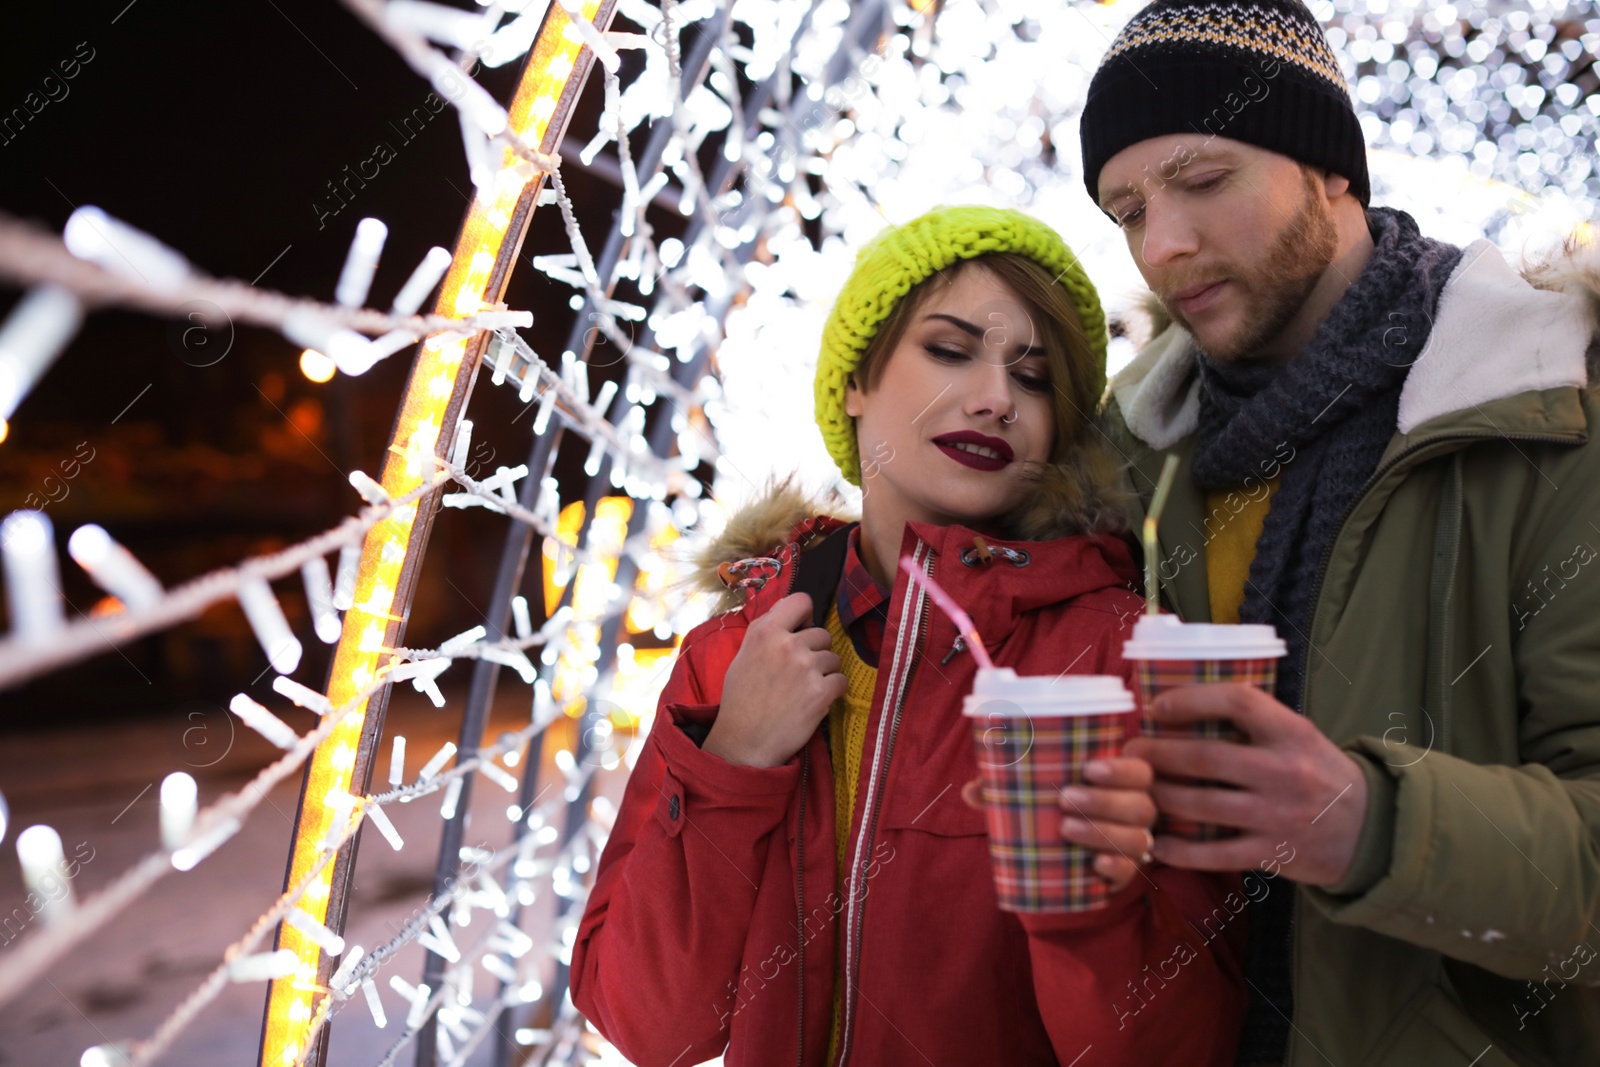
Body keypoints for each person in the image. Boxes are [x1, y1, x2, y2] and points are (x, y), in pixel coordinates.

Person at [571, 205, 1249, 1065]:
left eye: (1034, 376)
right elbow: (651, 1024)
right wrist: (735, 760)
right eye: (950, 349)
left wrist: (1085, 903)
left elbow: (1179, 1052)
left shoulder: (1114, 662)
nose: (996, 397)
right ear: (857, 379)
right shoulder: (735, 655)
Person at [1077, 1, 1600, 1064]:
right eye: (1126, 210)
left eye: (1202, 179)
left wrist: (1370, 825)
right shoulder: (1125, 460)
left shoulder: (1551, 414)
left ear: (1331, 168)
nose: (1162, 244)